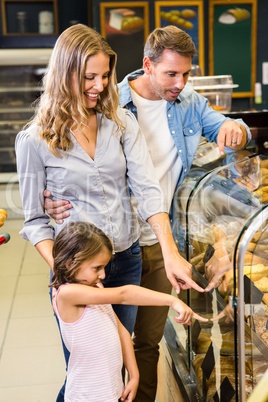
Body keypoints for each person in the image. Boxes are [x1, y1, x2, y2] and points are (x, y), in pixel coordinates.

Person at [44, 25, 252, 401]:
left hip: (160, 242)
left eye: (187, 73)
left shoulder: (189, 102)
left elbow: (226, 127)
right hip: (111, 246)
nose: (180, 83)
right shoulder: (110, 102)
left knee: (146, 344)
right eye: (171, 73)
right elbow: (71, 162)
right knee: (97, 355)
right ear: (146, 66)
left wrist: (236, 128)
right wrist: (52, 196)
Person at [15, 24, 204, 402]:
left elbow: (148, 190)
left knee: (120, 365)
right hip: (75, 276)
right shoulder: (35, 139)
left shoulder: (120, 123)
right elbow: (35, 222)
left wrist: (169, 252)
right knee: (89, 372)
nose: (100, 86)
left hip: (126, 258)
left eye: (104, 76)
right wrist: (71, 275)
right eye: (89, 77)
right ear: (63, 72)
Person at [51, 221, 207, 402]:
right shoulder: (67, 294)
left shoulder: (96, 288)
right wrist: (171, 300)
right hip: (86, 395)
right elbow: (124, 295)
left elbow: (122, 332)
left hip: (111, 391)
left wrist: (134, 376)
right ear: (70, 263)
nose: (102, 275)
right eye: (97, 268)